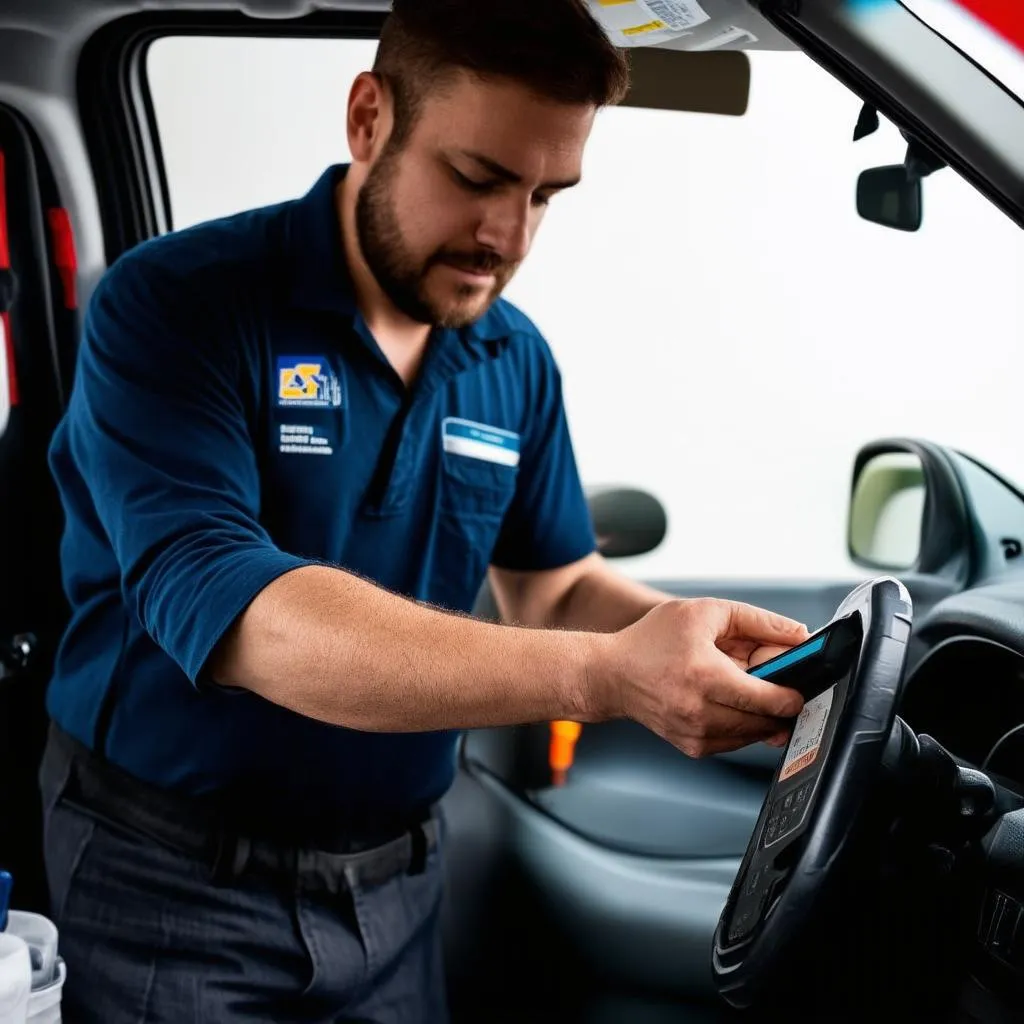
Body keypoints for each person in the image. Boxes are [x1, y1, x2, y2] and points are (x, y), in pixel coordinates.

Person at [40, 0, 808, 1020]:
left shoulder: (511, 356)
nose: (508, 234)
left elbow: (554, 588)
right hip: (172, 883)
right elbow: (244, 616)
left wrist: (714, 656)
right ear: (368, 119)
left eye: (546, 194)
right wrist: (604, 677)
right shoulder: (175, 306)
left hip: (397, 883)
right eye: (477, 177)